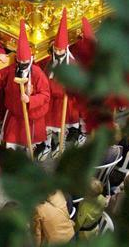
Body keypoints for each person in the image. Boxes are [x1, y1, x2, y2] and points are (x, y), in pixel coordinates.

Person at [0, 21, 50, 153]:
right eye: (19, 61)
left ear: (30, 60)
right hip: (15, 113)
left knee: (29, 142)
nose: (21, 64)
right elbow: (0, 78)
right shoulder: (12, 69)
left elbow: (45, 95)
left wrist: (30, 100)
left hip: (30, 114)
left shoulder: (37, 74)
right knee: (12, 142)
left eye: (25, 62)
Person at [42, 10, 80, 159]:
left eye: (60, 49)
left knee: (60, 125)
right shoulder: (49, 61)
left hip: (63, 101)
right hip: (50, 100)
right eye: (56, 49)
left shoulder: (72, 64)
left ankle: (59, 143)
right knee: (47, 125)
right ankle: (47, 144)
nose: (58, 52)